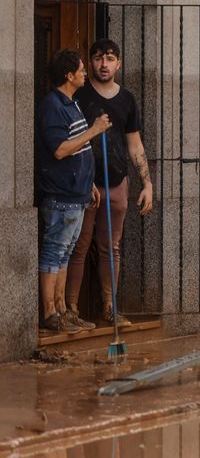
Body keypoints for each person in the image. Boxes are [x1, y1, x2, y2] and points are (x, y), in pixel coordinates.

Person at [66, 39, 153, 329]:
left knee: (111, 247)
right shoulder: (80, 95)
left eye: (111, 59)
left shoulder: (127, 99)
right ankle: (71, 310)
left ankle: (109, 308)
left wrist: (147, 183)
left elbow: (135, 144)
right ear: (90, 62)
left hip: (117, 183)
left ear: (119, 64)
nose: (104, 64)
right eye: (99, 59)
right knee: (79, 245)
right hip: (85, 184)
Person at [36, 49, 111, 334]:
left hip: (77, 194)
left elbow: (76, 147)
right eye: (81, 69)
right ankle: (50, 313)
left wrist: (89, 183)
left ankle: (63, 310)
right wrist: (94, 130)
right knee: (54, 252)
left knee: (65, 252)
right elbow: (59, 150)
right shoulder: (53, 106)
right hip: (61, 196)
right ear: (69, 76)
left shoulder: (71, 103)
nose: (85, 73)